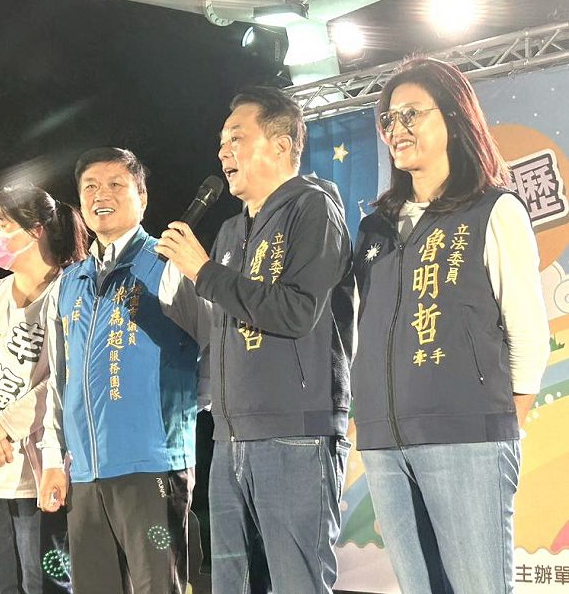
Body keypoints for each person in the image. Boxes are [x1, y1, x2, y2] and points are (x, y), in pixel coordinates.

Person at [352, 57, 550, 594]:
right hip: (386, 444)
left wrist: (496, 430)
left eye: (411, 114)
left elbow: (529, 334)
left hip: (468, 440)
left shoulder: (494, 210)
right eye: (388, 119)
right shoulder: (374, 229)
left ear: (455, 118)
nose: (397, 129)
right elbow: (364, 332)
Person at [156, 86, 356, 594]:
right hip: (230, 436)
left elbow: (297, 310)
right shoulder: (228, 232)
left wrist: (204, 272)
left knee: (296, 582)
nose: (223, 150)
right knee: (233, 582)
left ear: (282, 144)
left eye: (236, 138)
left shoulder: (313, 208)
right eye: (222, 141)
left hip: (295, 430)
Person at [39, 147, 208, 594]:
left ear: (142, 197)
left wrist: (181, 415)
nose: (102, 195)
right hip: (85, 474)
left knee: (158, 586)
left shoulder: (169, 263)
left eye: (116, 184)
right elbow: (59, 379)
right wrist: (55, 459)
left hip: (152, 467)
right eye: (90, 187)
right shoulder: (69, 282)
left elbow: (215, 347)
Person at [0, 184, 88, 594]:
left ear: (36, 230)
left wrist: (5, 425)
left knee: (47, 583)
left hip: (41, 470)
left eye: (2, 225)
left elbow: (67, 377)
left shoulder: (70, 292)